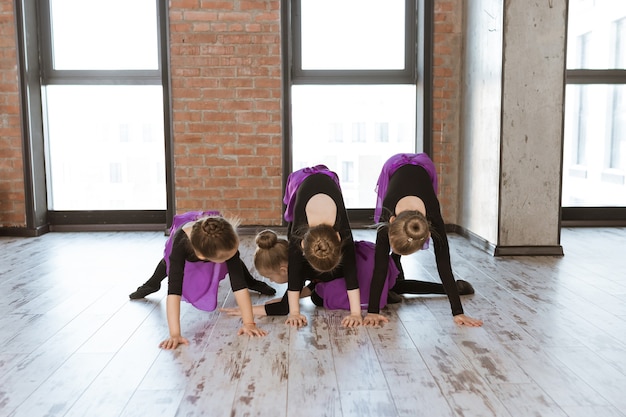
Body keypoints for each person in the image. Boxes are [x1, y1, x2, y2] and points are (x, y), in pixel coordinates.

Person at [221, 229, 473, 318]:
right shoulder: (301, 258)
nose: (270, 282)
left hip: (366, 269)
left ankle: (448, 289)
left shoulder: (298, 271)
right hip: (361, 261)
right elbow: (307, 287)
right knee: (399, 285)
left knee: (399, 285)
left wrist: (249, 311)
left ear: (284, 269)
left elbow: (288, 305)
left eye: (270, 278)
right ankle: (442, 288)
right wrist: (284, 300)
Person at [364, 153, 483, 328]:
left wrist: (458, 312)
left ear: (428, 234)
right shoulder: (387, 210)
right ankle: (396, 257)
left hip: (424, 170)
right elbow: (380, 264)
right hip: (394, 166)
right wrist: (373, 311)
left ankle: (397, 257)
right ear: (391, 222)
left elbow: (444, 263)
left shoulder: (433, 214)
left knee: (418, 241)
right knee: (384, 253)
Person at [128, 210, 275, 348]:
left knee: (234, 264)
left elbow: (238, 285)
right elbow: (174, 291)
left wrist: (249, 323)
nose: (235, 253)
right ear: (204, 258)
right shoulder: (180, 245)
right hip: (182, 245)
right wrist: (175, 334)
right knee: (169, 264)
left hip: (209, 234)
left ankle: (252, 282)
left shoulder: (224, 237)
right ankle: (152, 283)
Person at [282, 165, 361, 328]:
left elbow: (351, 267)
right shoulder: (300, 224)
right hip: (299, 183)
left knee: (349, 253)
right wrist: (294, 312)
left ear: (338, 237)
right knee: (291, 241)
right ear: (303, 244)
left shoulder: (342, 226)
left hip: (329, 184)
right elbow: (294, 269)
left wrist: (356, 313)